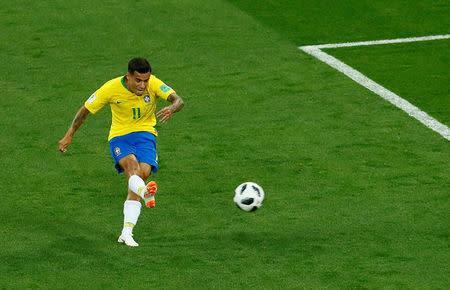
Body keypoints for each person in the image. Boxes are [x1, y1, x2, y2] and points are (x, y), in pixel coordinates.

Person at [58, 58, 184, 247]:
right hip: (120, 137)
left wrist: (172, 108)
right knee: (132, 169)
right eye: (138, 80)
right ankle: (145, 192)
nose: (143, 85)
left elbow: (179, 100)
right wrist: (69, 135)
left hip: (146, 135)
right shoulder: (110, 88)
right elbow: (85, 110)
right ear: (129, 77)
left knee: (143, 173)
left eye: (146, 80)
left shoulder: (154, 83)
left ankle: (126, 233)